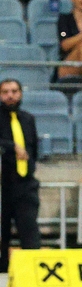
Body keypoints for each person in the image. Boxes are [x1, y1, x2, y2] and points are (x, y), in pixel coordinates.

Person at [0, 78, 41, 274]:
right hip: (3, 185)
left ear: (21, 93)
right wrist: (11, 147)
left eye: (14, 91)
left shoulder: (28, 118)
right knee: (2, 233)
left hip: (25, 184)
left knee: (29, 229)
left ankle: (32, 273)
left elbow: (34, 149)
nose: (10, 95)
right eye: (6, 91)